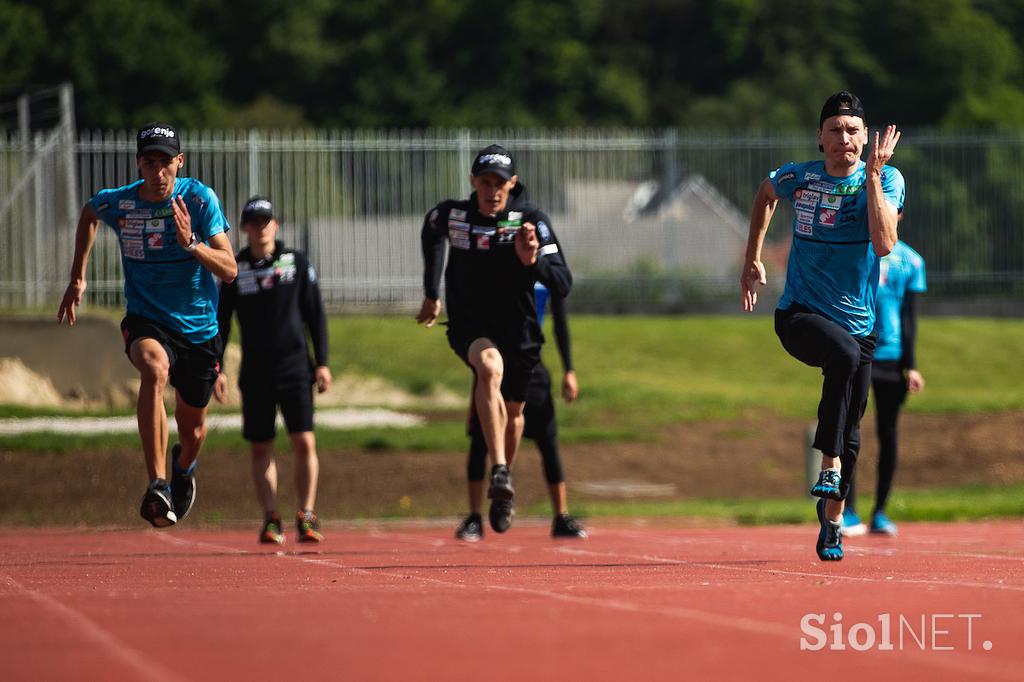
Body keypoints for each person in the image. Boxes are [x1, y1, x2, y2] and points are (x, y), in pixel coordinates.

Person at [741, 91, 904, 561]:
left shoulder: (888, 179)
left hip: (860, 323)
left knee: (853, 425)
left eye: (852, 130)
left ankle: (832, 521)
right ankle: (827, 463)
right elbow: (766, 193)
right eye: (834, 129)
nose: (843, 139)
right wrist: (752, 256)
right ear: (820, 136)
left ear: (866, 137)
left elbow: (885, 241)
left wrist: (871, 175)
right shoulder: (801, 177)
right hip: (800, 316)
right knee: (843, 356)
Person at [58, 122, 237, 527]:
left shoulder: (198, 198)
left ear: (180, 162)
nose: (158, 173)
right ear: (138, 163)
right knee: (153, 369)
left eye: (165, 163)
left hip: (199, 331)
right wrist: (77, 277)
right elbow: (90, 212)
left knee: (192, 432)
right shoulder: (121, 204)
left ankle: (183, 467)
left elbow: (229, 270)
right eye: (149, 162)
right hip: (147, 319)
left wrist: (192, 243)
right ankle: (157, 482)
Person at [417, 144, 572, 535]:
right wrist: (432, 292)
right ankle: (499, 468)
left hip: (520, 329)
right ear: (474, 182)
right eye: (485, 183)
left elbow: (563, 283)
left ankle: (505, 483)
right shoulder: (455, 215)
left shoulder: (530, 222)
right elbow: (431, 230)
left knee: (515, 414)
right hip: (471, 325)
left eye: (500, 184)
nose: (492, 191)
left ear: (512, 184)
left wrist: (531, 260)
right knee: (489, 367)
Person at [214, 197, 332, 544]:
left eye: (266, 221)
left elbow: (315, 315)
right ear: (244, 228)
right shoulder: (235, 269)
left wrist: (322, 362)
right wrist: (217, 366)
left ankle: (307, 514)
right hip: (256, 370)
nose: (261, 227)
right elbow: (221, 322)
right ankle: (271, 517)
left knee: (303, 440)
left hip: (296, 367)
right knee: (261, 445)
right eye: (254, 221)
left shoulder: (295, 262)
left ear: (275, 225)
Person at [455, 282, 587, 540]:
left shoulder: (545, 268)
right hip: (495, 360)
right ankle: (474, 517)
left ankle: (561, 516)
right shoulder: (498, 262)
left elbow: (560, 319)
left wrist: (569, 369)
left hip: (529, 361)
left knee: (548, 440)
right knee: (481, 439)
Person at [843, 229, 926, 537]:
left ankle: (880, 511)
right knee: (848, 427)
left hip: (892, 359)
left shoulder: (912, 261)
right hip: (858, 351)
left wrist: (912, 366)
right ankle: (847, 510)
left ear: (900, 214)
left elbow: (910, 318)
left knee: (888, 435)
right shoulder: (854, 250)